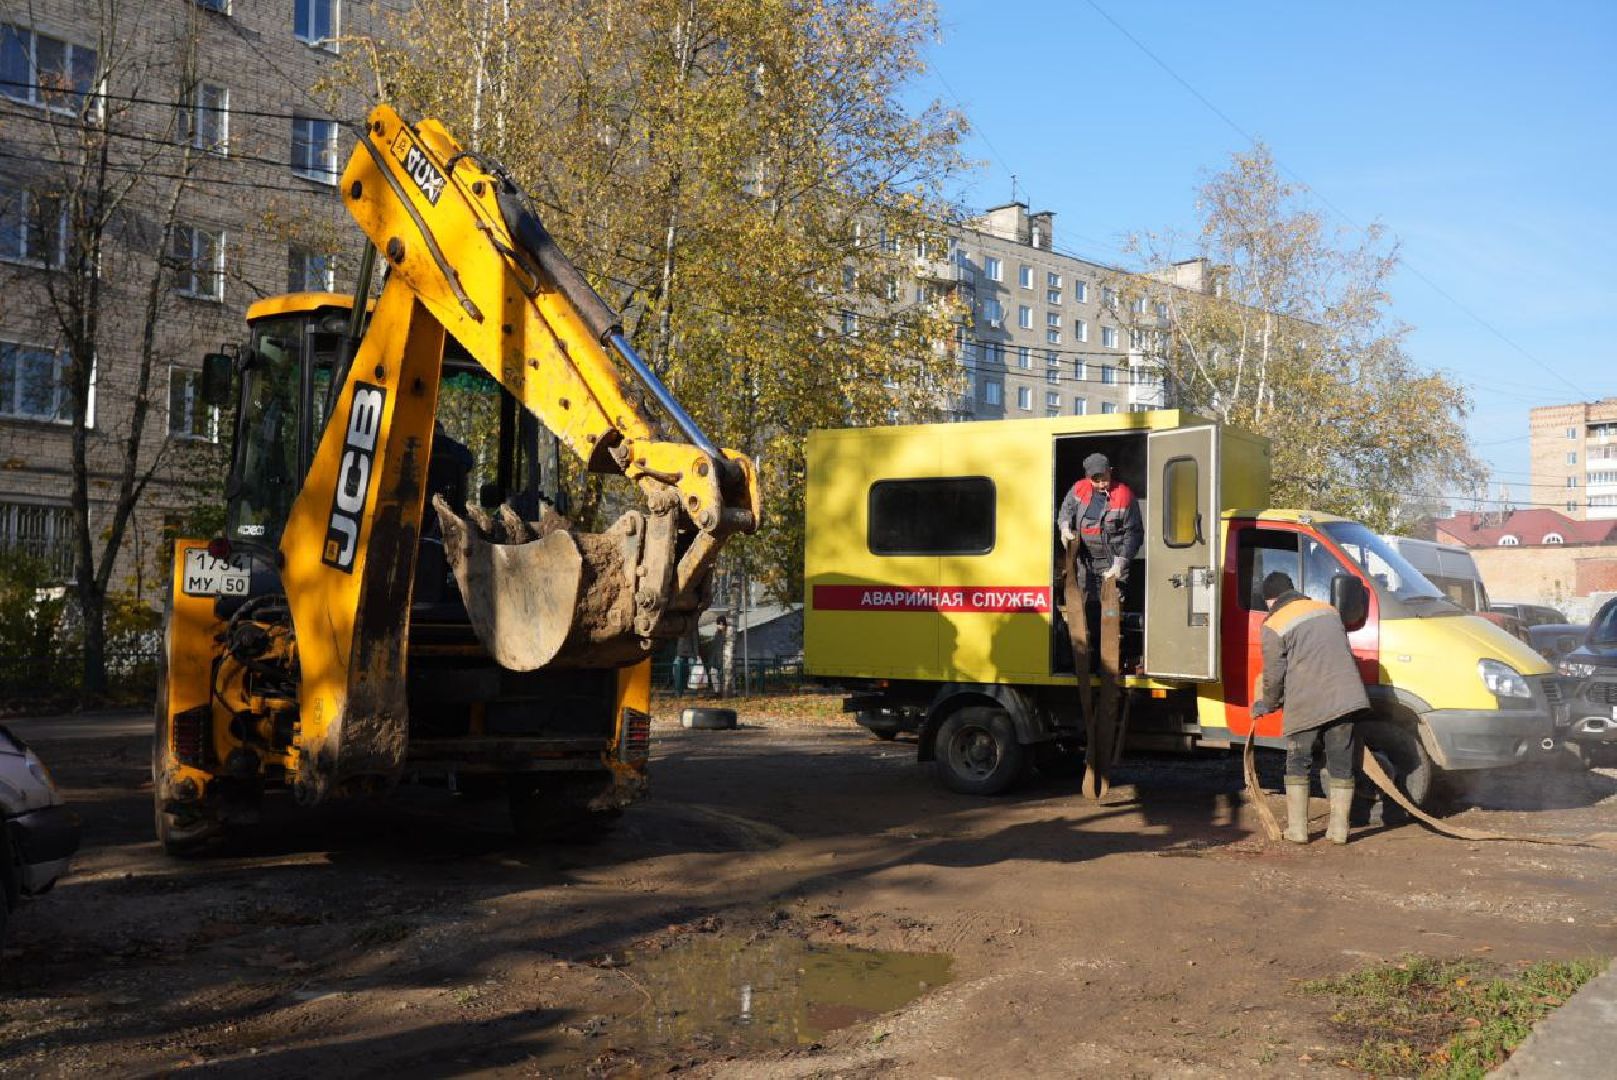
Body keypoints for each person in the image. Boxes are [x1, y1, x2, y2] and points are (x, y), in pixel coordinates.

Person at [1252, 571, 1371, 845]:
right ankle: (1339, 831)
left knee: (1298, 762)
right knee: (1341, 764)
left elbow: (1274, 675)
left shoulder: (1274, 623)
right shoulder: (1327, 610)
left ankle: (1298, 830)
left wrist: (1266, 705)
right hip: (1346, 699)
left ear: (1271, 600)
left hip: (1307, 701)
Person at [1056, 452, 1143, 593]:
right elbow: (1066, 509)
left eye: (1105, 478)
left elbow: (1134, 534)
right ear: (1088, 478)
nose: (1101, 484)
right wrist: (1064, 528)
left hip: (1112, 563)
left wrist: (1120, 563)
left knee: (1111, 611)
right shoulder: (1079, 488)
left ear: (1110, 472)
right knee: (1088, 606)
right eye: (1096, 480)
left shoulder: (1125, 495)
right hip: (1085, 563)